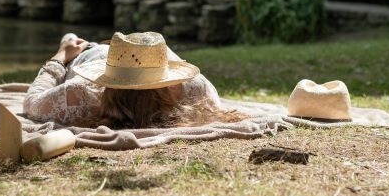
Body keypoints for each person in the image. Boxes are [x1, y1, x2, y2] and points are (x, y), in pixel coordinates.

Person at [23, 31, 245, 128]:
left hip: (88, 55)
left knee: (70, 38)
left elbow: (32, 101)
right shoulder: (194, 88)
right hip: (126, 57)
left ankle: (69, 40)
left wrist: (60, 55)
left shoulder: (80, 93)